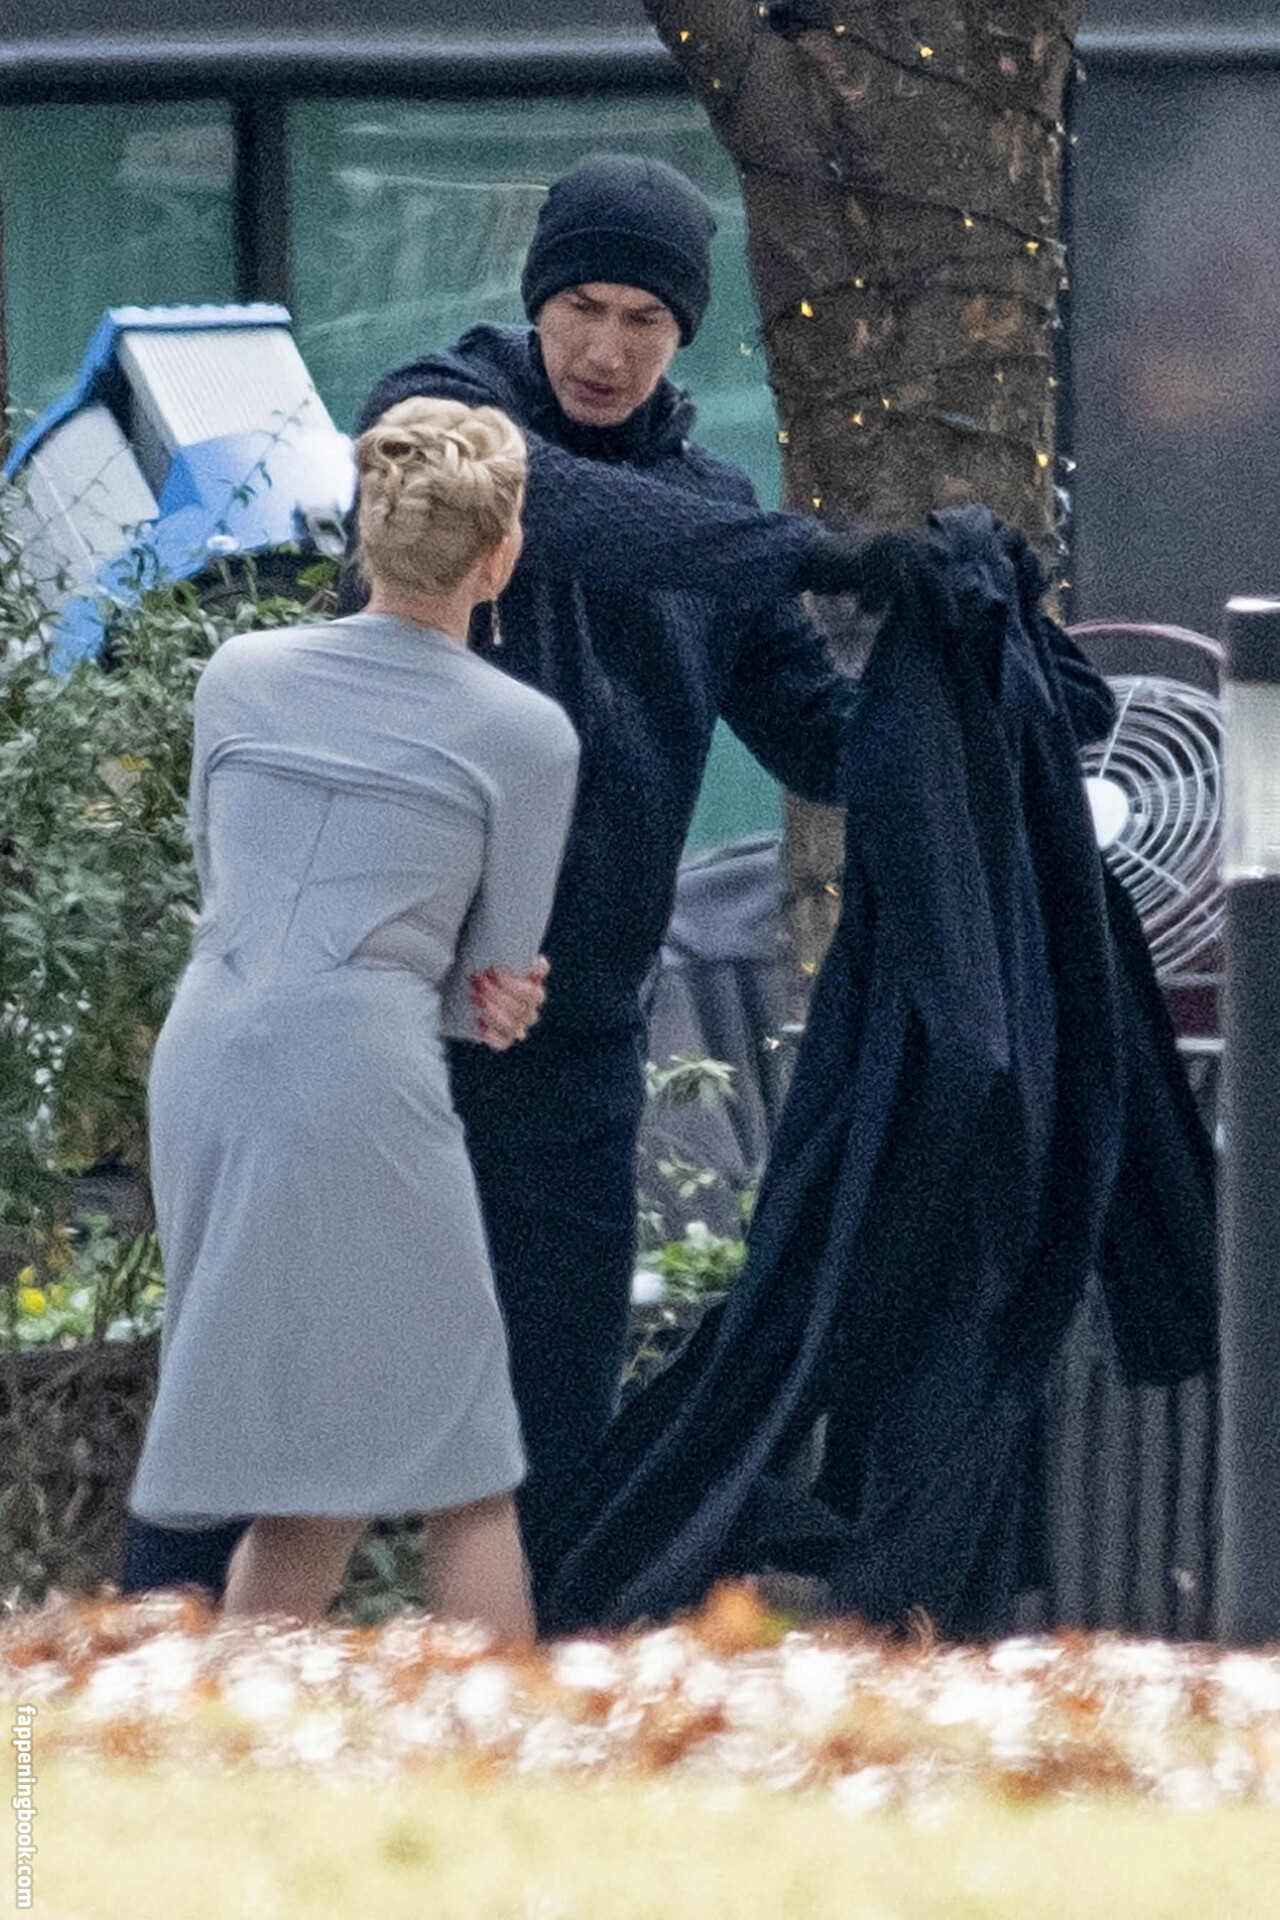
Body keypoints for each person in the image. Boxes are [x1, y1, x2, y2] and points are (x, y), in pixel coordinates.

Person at [122, 151, 920, 1601]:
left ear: (684, 334)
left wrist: (979, 684)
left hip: (571, 1053)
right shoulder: (441, 418)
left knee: (542, 1436)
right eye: (581, 308)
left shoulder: (711, 515)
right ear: (537, 299)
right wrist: (814, 550)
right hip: (377, 1038)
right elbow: (560, 508)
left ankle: (522, 1718)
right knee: (257, 1404)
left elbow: (825, 740)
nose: (606, 348)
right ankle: (145, 1688)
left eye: (644, 321)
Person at [127, 397, 579, 1631]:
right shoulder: (527, 734)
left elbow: (224, 879)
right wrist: (481, 991)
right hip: (360, 1071)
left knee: (311, 1462)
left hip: (209, 1052)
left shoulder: (238, 673)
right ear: (498, 557)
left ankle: (224, 1726)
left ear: (368, 533)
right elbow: (491, 991)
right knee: (466, 1464)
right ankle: (502, 1743)